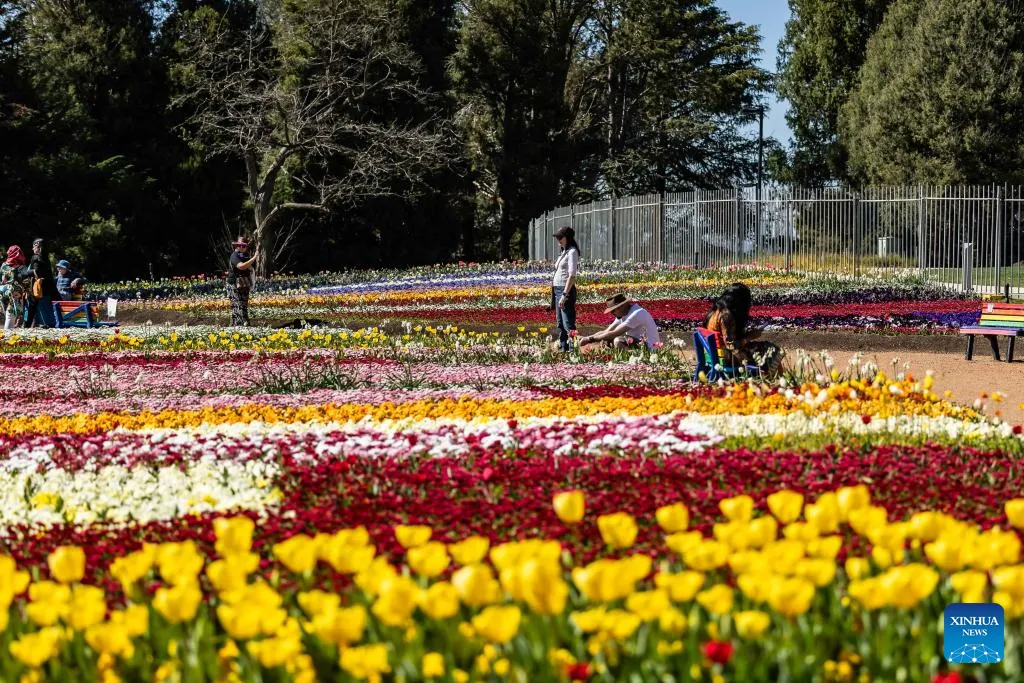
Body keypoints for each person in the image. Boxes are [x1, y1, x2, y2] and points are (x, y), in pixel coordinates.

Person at [702, 282, 782, 377]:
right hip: (728, 358)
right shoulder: (726, 316)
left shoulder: (716, 310)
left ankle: (773, 377)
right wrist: (749, 337)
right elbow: (731, 346)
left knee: (765, 348)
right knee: (772, 349)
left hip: (715, 354)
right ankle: (771, 378)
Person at [579, 293, 661, 350]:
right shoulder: (623, 313)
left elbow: (614, 333)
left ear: (622, 306)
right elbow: (607, 331)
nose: (612, 313)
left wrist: (590, 339)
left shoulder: (636, 313)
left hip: (651, 348)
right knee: (607, 338)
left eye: (613, 310)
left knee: (618, 340)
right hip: (639, 343)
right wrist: (587, 337)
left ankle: (626, 364)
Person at [550, 226, 580, 352]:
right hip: (557, 290)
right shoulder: (564, 252)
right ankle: (564, 347)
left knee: (568, 322)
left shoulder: (572, 252)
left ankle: (573, 350)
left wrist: (564, 294)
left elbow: (572, 275)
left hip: (564, 290)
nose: (558, 239)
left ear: (567, 237)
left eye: (560, 237)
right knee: (560, 322)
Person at [226, 236, 258, 326]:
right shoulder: (234, 255)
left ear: (247, 247)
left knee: (244, 305)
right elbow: (241, 266)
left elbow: (251, 268)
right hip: (233, 283)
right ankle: (237, 325)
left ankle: (245, 324)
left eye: (243, 246)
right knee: (236, 305)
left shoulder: (247, 256)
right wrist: (254, 257)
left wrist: (251, 260)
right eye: (239, 245)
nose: (240, 247)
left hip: (245, 283)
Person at [26, 238, 58, 328]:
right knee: (45, 311)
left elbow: (37, 272)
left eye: (34, 246)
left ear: (37, 247)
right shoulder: (46, 258)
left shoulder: (36, 257)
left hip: (39, 289)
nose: (32, 249)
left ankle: (28, 327)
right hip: (48, 289)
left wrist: (25, 272)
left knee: (34, 310)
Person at [0, 246, 29, 331]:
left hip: (3, 292)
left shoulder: (4, 265)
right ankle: (6, 338)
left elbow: (2, 280)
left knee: (7, 315)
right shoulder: (22, 267)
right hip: (16, 294)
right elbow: (26, 282)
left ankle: (8, 337)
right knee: (11, 316)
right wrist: (27, 291)